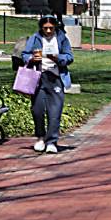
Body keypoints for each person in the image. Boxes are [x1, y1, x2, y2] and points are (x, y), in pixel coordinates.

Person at [22, 15, 74, 154]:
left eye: (51, 28)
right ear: (41, 28)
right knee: (37, 110)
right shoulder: (35, 38)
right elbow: (25, 54)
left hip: (56, 78)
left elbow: (69, 56)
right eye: (46, 28)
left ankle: (52, 141)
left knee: (55, 112)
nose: (49, 31)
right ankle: (40, 137)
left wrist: (57, 58)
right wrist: (32, 59)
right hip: (39, 78)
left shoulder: (62, 38)